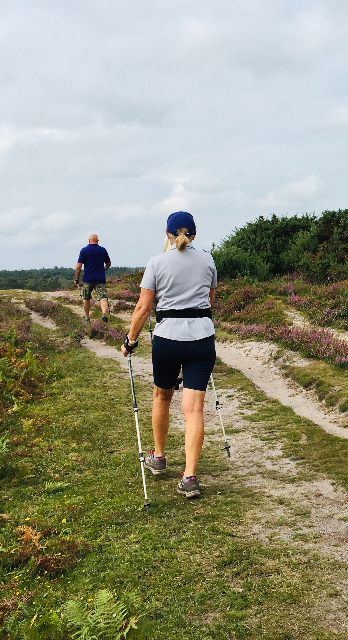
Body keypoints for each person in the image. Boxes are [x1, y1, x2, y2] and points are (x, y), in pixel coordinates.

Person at [121, 211, 217, 500]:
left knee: (162, 396)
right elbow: (210, 301)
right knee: (195, 410)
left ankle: (159, 457)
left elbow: (142, 308)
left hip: (168, 338)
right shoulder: (208, 260)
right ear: (195, 235)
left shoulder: (156, 263)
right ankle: (189, 476)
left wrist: (130, 340)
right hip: (201, 338)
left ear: (167, 234)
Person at [74, 234, 112, 324]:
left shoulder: (84, 250)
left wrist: (76, 279)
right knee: (103, 297)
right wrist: (103, 269)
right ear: (97, 241)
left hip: (88, 279)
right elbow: (109, 263)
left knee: (86, 298)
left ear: (89, 240)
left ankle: (87, 317)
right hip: (100, 278)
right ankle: (104, 313)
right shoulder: (102, 250)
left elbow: (78, 266)